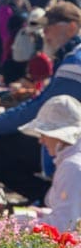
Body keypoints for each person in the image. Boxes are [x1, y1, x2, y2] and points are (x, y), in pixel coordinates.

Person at [0, 0, 81, 210]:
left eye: (50, 26)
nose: (45, 32)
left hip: (69, 146)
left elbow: (41, 107)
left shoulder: (75, 62)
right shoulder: (70, 58)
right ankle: (46, 196)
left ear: (72, 27)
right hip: (68, 143)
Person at [19, 95, 81, 232]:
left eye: (44, 134)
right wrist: (42, 214)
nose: (41, 141)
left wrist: (23, 224)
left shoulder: (72, 166)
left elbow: (65, 226)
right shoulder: (71, 161)